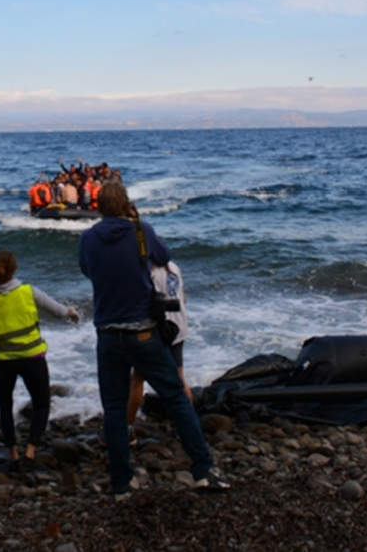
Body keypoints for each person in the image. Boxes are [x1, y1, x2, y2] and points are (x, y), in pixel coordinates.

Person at [78, 182, 229, 498]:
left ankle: (121, 483)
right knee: (175, 397)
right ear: (125, 204)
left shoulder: (88, 238)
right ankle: (203, 469)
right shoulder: (140, 231)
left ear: (98, 207)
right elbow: (164, 255)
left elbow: (86, 270)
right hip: (144, 331)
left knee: (114, 407)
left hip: (108, 334)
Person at [0, 250, 79, 465]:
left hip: (4, 360)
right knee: (41, 404)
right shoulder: (28, 291)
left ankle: (13, 453)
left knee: (5, 407)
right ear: (15, 269)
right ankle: (30, 450)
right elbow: (58, 310)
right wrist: (72, 313)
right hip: (32, 358)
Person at [127, 260, 192, 431]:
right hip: (178, 328)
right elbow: (183, 298)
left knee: (137, 380)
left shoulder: (146, 272)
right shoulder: (174, 267)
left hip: (157, 331)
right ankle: (190, 425)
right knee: (179, 378)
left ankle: (128, 427)